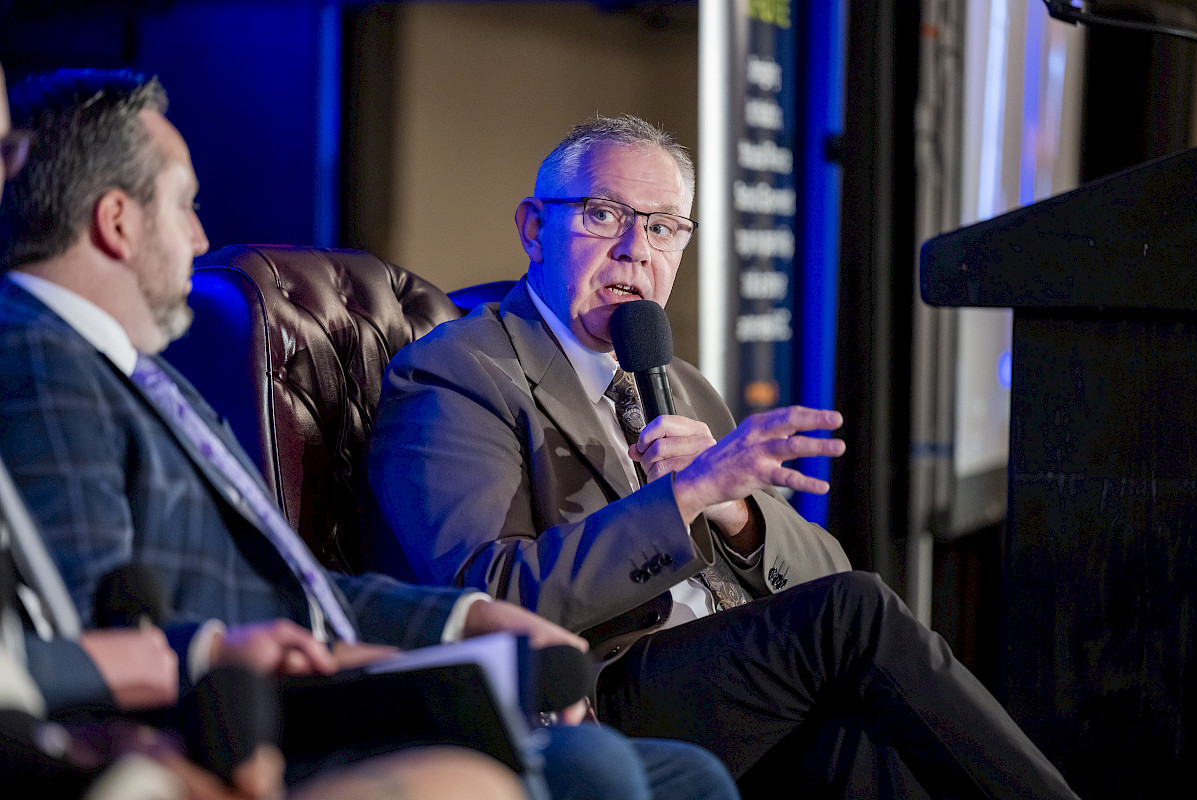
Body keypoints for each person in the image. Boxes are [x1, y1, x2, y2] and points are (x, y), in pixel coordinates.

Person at [0, 68, 739, 800]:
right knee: (598, 767)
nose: (200, 238)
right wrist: (223, 654)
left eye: (663, 228)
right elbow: (96, 627)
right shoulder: (43, 361)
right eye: (186, 205)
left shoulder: (137, 374)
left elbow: (300, 588)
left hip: (307, 677)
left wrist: (470, 620)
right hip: (228, 720)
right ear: (118, 221)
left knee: (690, 777)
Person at [364, 114, 1081, 799]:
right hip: (590, 694)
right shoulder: (460, 371)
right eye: (603, 215)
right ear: (534, 229)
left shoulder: (681, 384)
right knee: (853, 615)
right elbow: (485, 593)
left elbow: (824, 576)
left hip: (718, 675)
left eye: (662, 227)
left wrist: (737, 510)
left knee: (863, 744)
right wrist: (681, 498)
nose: (635, 249)